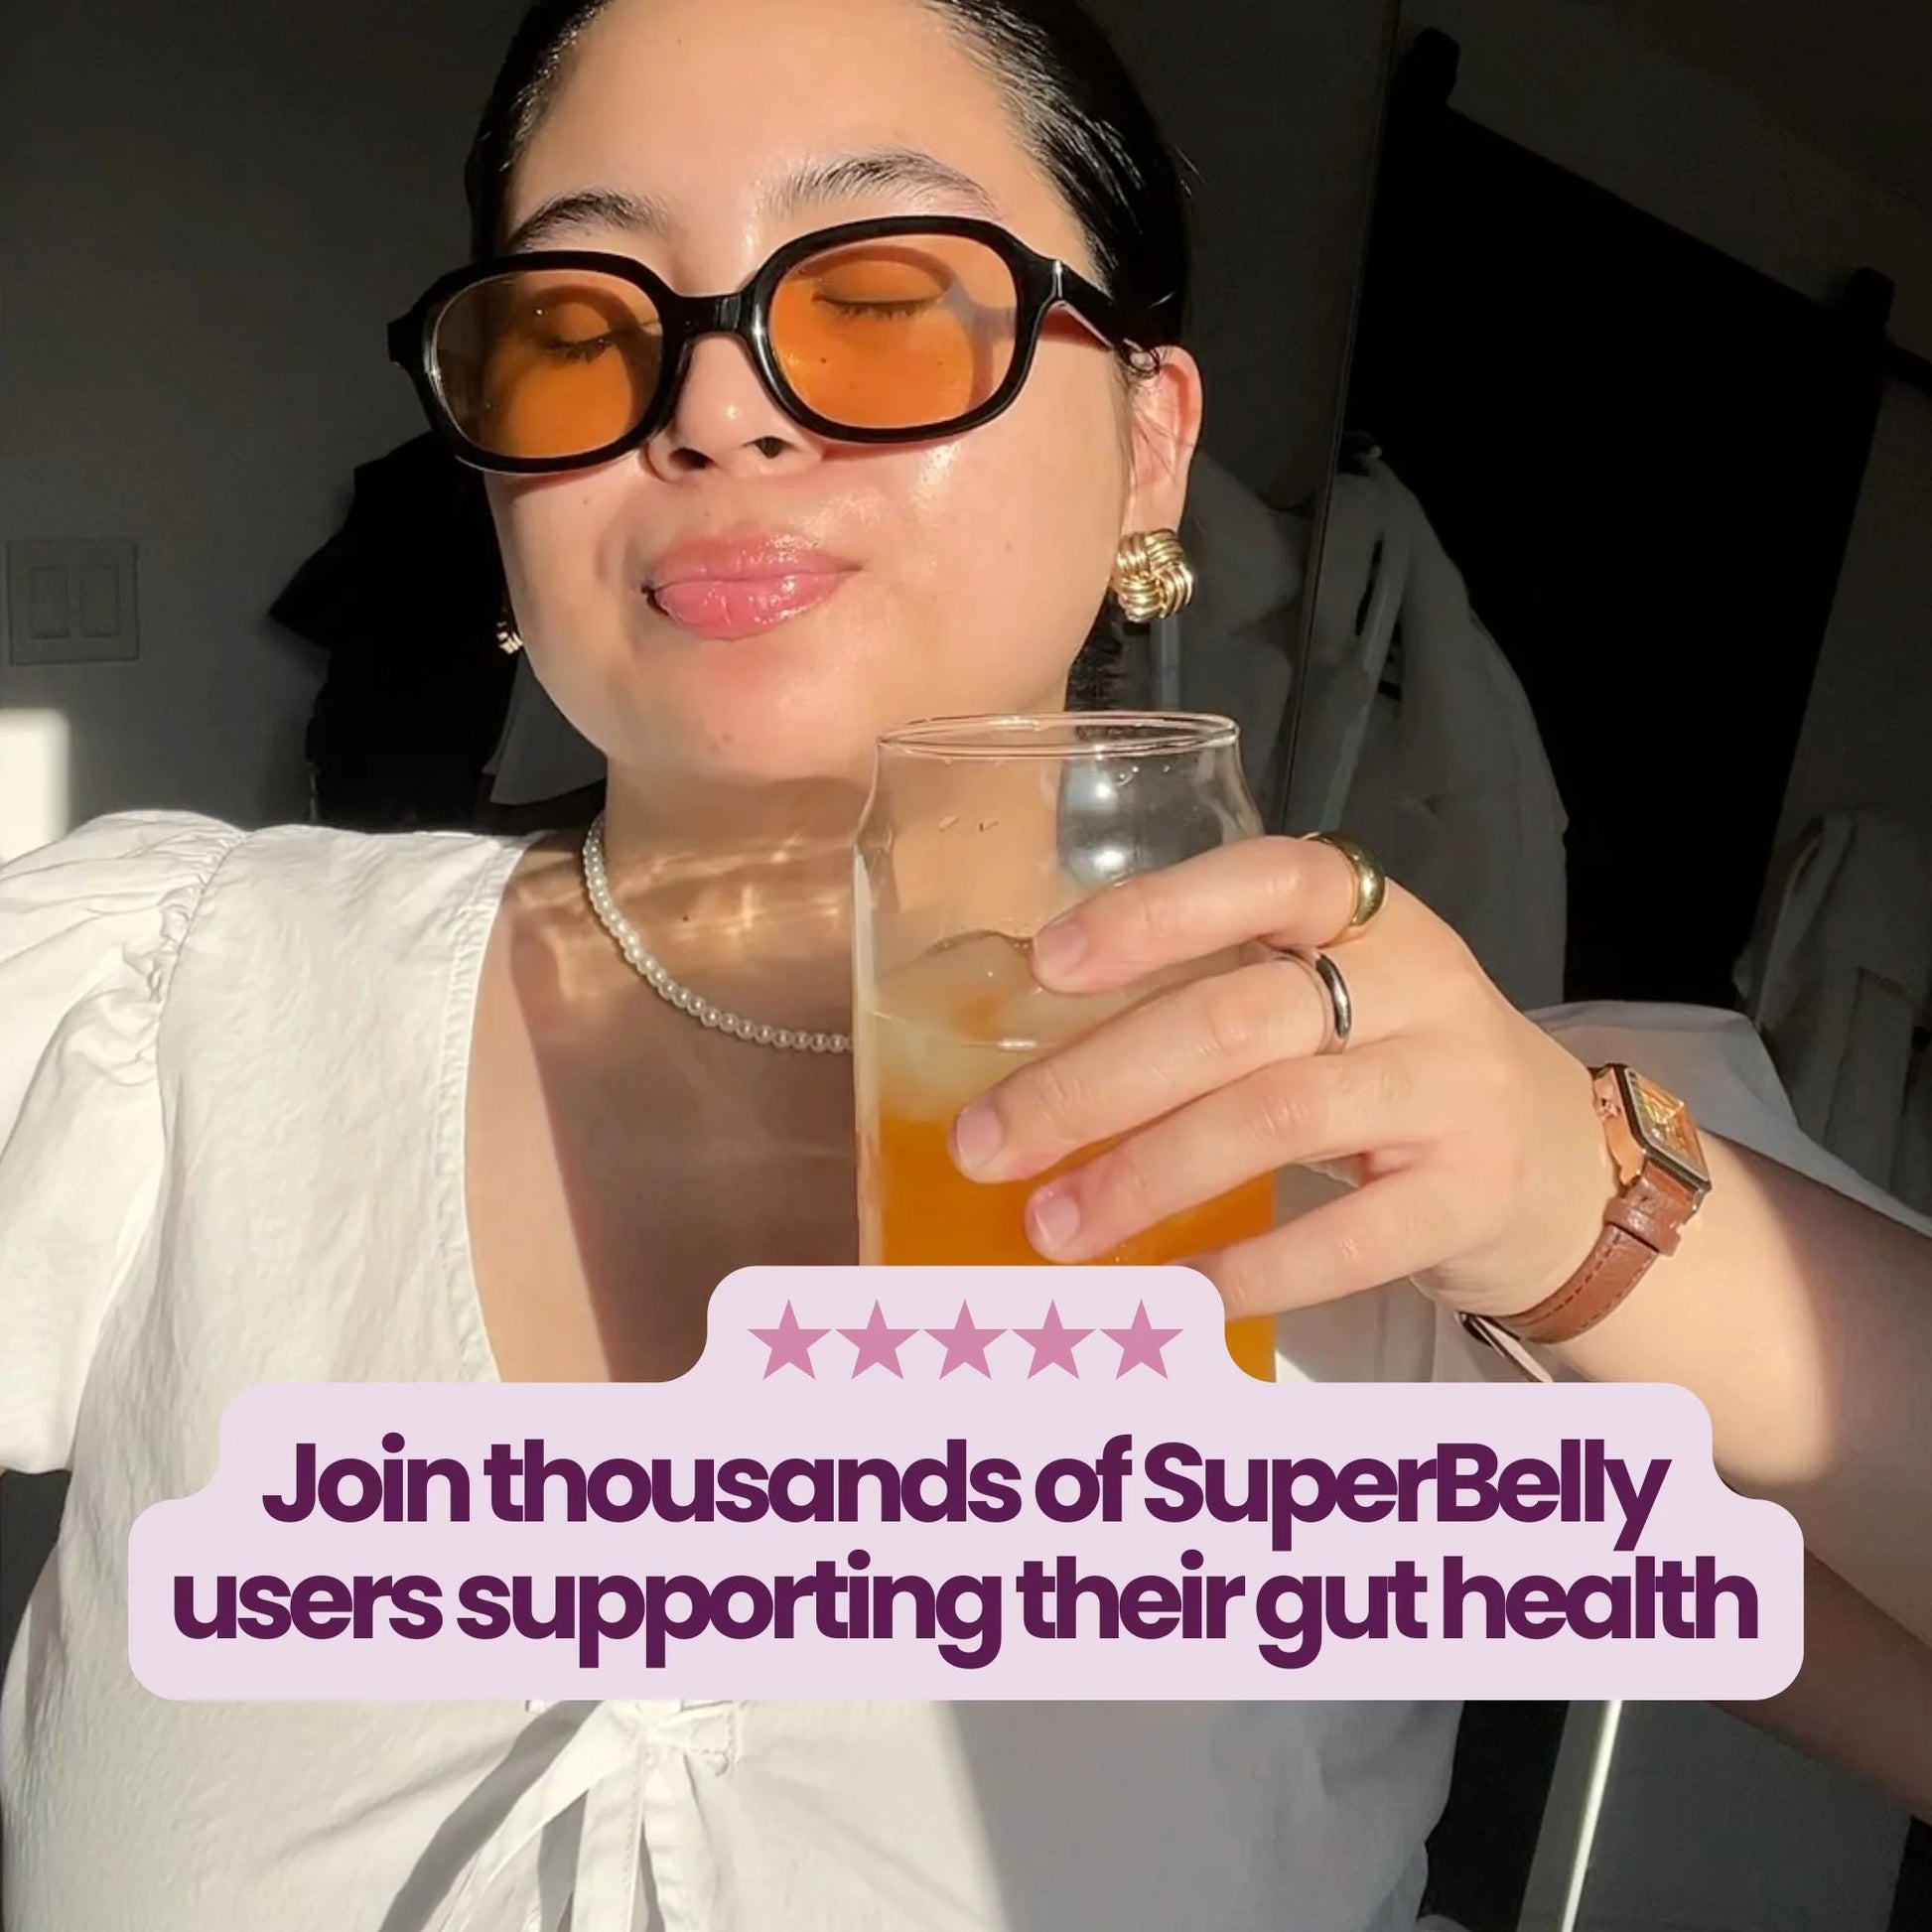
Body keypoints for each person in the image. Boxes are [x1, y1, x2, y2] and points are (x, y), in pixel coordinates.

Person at [1, 1, 1928, 1926]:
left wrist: (1578, 1206)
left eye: (881, 299)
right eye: (582, 328)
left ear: (1148, 444)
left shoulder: (1387, 1178)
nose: (712, 407)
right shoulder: (174, 1011)